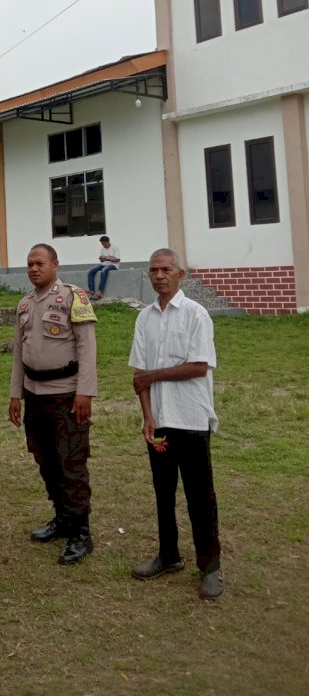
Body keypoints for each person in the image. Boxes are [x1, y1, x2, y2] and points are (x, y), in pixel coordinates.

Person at [129, 248, 224, 599]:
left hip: (192, 419)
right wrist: (148, 416)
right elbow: (139, 376)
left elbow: (199, 366)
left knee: (200, 495)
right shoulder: (145, 319)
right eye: (153, 270)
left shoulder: (196, 315)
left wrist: (153, 376)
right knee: (163, 492)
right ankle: (168, 555)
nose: (158, 275)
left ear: (179, 275)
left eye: (166, 269)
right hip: (160, 424)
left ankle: (210, 565)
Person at [9, 243, 97, 565]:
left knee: (71, 463)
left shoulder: (75, 297)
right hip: (34, 395)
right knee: (45, 460)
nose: (34, 268)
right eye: (29, 263)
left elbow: (87, 347)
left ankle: (81, 533)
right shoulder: (23, 305)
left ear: (55, 265)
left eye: (40, 263)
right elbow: (19, 353)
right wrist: (15, 394)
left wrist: (85, 392)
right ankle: (62, 519)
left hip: (66, 395)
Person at [86, 235, 120, 300]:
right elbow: (101, 259)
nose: (103, 245)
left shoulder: (115, 247)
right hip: (104, 264)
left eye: (104, 244)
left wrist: (107, 259)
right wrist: (102, 259)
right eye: (102, 244)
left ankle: (100, 291)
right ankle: (92, 290)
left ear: (108, 242)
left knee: (104, 271)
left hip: (113, 265)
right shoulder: (102, 248)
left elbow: (117, 260)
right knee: (90, 271)